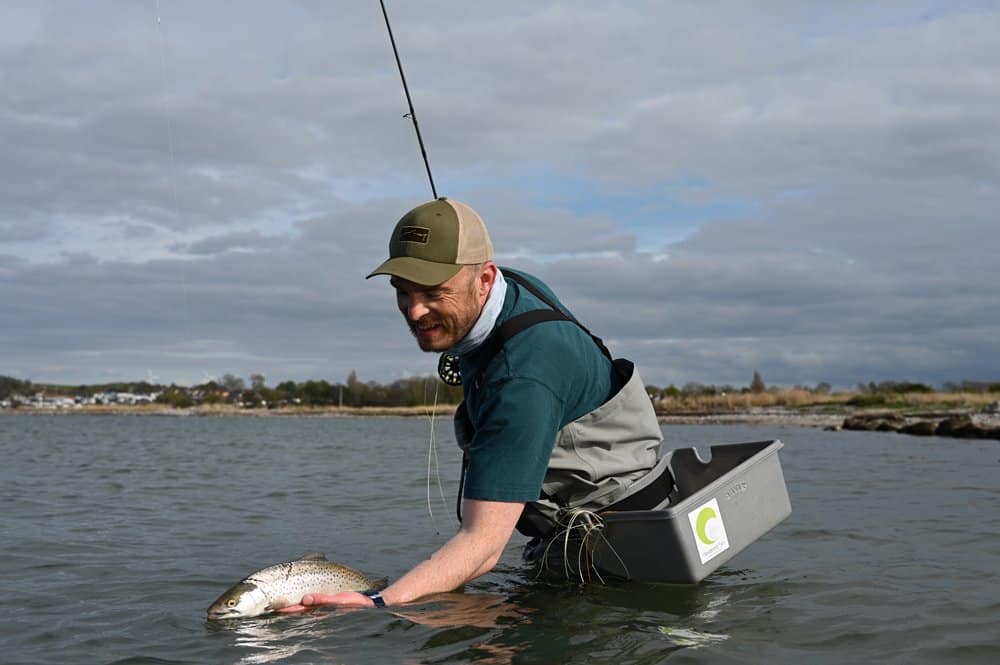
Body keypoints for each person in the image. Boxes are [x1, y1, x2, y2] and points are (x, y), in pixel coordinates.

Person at [286, 197, 671, 612]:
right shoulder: (511, 288)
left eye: (434, 293)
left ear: (485, 279)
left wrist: (380, 604)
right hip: (579, 531)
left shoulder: (521, 379)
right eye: (402, 291)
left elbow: (482, 546)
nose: (415, 311)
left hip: (620, 552)